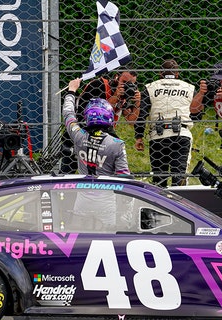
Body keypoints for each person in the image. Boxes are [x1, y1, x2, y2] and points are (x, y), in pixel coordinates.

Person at [63, 78, 130, 231]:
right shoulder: (117, 144)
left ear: (87, 117)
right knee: (107, 239)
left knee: (80, 238)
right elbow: (124, 177)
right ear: (109, 117)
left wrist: (71, 91)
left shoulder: (79, 135)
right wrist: (126, 214)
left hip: (82, 201)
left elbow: (68, 114)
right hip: (107, 203)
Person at [134, 59, 201, 187]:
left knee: (159, 181)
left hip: (158, 136)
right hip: (181, 135)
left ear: (160, 73)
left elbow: (142, 114)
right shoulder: (189, 88)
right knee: (179, 178)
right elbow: (197, 114)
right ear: (177, 74)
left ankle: (159, 204)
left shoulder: (151, 87)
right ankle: (178, 204)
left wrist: (139, 137)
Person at [60, 70, 140, 174]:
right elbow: (92, 112)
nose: (127, 86)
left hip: (105, 139)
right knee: (68, 171)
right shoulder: (98, 85)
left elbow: (131, 120)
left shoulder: (126, 94)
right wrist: (116, 96)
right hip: (82, 134)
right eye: (124, 82)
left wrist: (138, 102)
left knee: (102, 173)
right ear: (116, 77)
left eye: (131, 84)